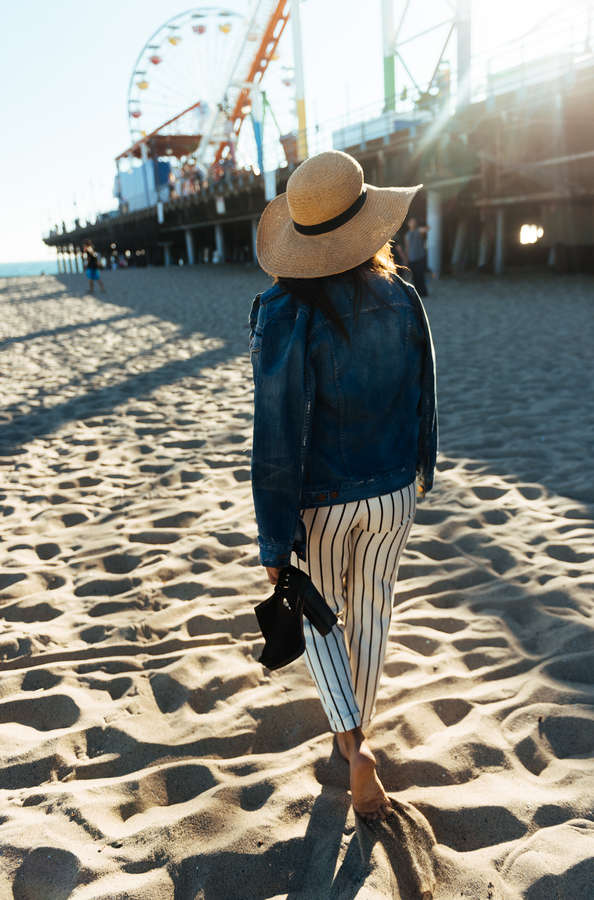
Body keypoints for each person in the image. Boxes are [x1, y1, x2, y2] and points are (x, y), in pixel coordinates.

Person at [249, 150, 438, 823]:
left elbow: (273, 434)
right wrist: (421, 470)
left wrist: (274, 538)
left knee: (322, 620)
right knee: (374, 614)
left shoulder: (282, 311)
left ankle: (353, 746)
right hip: (393, 491)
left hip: (322, 501)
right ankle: (362, 733)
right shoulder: (403, 297)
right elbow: (422, 395)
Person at [405, 217, 430, 297]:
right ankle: (418, 293)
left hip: (419, 258)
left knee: (420, 276)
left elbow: (427, 229)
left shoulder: (418, 231)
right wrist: (407, 258)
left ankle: (424, 293)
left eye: (414, 222)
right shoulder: (407, 234)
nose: (412, 223)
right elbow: (407, 247)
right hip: (411, 259)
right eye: (411, 222)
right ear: (408, 224)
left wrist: (424, 224)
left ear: (415, 223)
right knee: (415, 277)